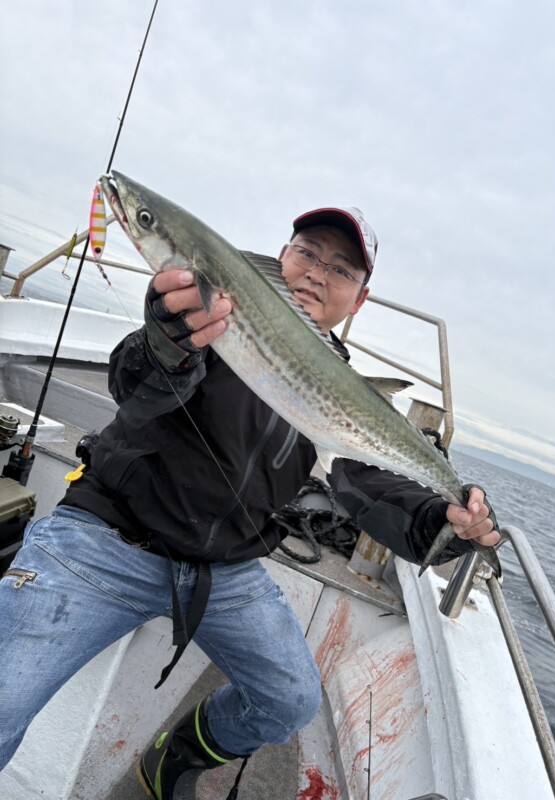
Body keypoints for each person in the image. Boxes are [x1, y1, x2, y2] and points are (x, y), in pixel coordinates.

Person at [0, 207, 500, 799]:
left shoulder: (342, 390)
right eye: (308, 253)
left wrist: (445, 517)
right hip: (108, 540)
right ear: (281, 256)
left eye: (340, 269)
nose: (318, 272)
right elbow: (134, 385)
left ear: (359, 300)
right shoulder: (212, 317)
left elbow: (371, 480)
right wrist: (166, 343)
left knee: (290, 700)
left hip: (226, 572)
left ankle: (174, 756)